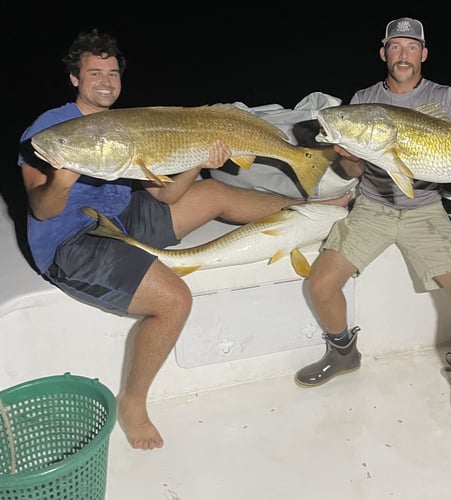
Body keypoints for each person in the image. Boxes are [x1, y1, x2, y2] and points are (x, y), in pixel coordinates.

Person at [17, 28, 350, 451]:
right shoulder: (51, 129)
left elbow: (167, 194)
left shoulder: (123, 123)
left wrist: (197, 160)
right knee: (174, 300)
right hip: (70, 240)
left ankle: (326, 209)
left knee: (214, 192)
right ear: (75, 79)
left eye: (112, 72)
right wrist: (62, 180)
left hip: (123, 216)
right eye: (94, 72)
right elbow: (41, 209)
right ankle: (132, 402)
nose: (105, 80)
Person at [293, 17, 451, 480]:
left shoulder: (443, 98)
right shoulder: (364, 102)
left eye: (412, 47)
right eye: (396, 47)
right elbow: (353, 174)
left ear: (424, 55)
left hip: (426, 209)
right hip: (373, 206)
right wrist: (349, 157)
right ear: (384, 53)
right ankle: (343, 352)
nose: (404, 55)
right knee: (320, 283)